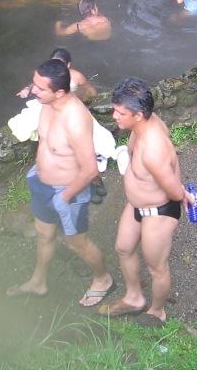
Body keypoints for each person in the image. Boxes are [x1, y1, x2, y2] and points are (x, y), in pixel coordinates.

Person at [6, 59, 115, 307]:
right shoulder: (47, 104)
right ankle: (38, 282)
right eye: (33, 84)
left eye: (39, 88)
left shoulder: (75, 119)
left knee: (76, 243)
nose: (33, 91)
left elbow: (89, 169)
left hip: (68, 192)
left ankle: (103, 279)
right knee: (44, 234)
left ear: (59, 92)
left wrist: (63, 198)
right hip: (42, 184)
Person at [97, 77, 193, 323]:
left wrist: (183, 193)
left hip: (158, 211)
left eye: (120, 113)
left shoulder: (153, 150)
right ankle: (134, 298)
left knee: (156, 268)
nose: (114, 116)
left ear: (138, 115)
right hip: (137, 204)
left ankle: (157, 311)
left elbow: (174, 192)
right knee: (123, 248)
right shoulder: (145, 124)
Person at [17, 47, 96, 101]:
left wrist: (89, 102)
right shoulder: (48, 71)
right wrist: (27, 89)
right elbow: (39, 83)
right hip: (48, 101)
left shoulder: (77, 76)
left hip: (68, 102)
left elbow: (89, 89)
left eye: (61, 64)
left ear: (68, 65)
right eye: (53, 63)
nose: (56, 66)